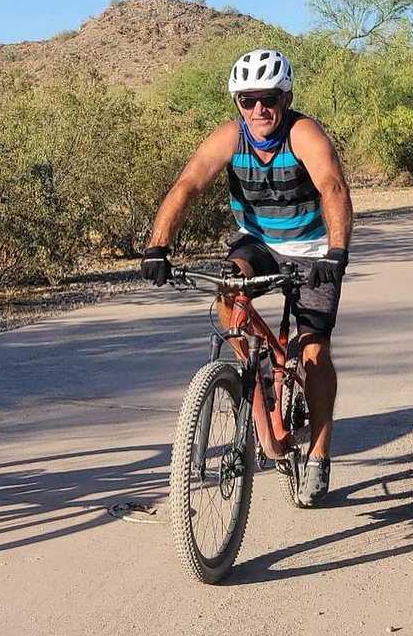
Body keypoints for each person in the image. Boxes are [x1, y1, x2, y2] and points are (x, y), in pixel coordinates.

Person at [141, 48, 353, 506]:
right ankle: (252, 376)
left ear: (286, 96)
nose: (259, 110)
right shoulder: (230, 138)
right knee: (227, 292)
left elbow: (333, 186)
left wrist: (336, 252)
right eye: (247, 100)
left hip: (312, 249)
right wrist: (158, 245)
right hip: (258, 242)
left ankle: (318, 452)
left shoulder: (303, 133)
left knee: (313, 349)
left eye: (269, 98)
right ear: (237, 103)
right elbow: (188, 185)